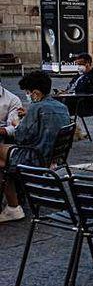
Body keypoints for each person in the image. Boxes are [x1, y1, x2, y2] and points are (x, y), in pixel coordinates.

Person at [0, 71, 70, 222]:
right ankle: (16, 196)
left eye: (28, 93)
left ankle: (13, 206)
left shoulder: (36, 108)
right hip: (54, 156)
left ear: (36, 93)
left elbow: (21, 138)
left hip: (35, 156)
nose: (28, 96)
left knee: (1, 159)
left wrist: (17, 124)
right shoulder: (61, 106)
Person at [57, 53, 93, 120]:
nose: (79, 66)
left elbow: (91, 92)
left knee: (61, 105)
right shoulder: (79, 74)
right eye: (78, 64)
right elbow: (71, 85)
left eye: (80, 64)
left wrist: (71, 94)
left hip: (82, 102)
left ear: (87, 63)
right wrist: (65, 91)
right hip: (72, 98)